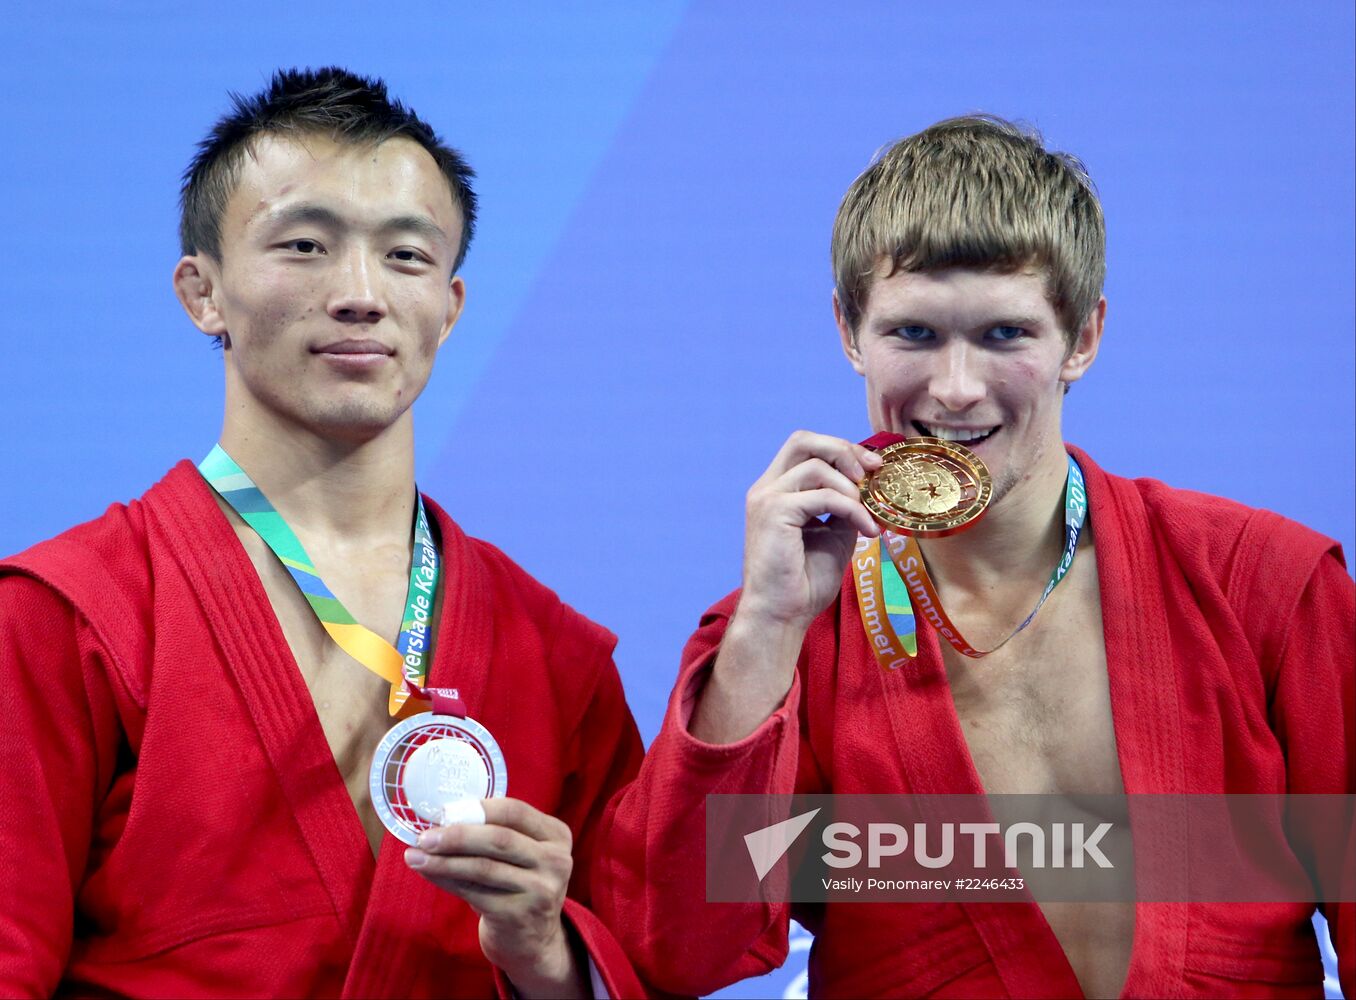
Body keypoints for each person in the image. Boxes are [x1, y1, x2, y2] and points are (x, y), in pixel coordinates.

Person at [593, 116, 1353, 997]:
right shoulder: (797, 635)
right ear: (848, 331)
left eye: (1004, 335)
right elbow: (674, 948)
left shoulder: (1263, 586)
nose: (955, 388)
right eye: (913, 334)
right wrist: (767, 628)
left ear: (1084, 337)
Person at [0, 67, 643, 998]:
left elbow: (663, 953)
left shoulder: (556, 657)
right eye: (305, 245)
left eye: (406, 257)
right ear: (202, 293)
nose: (359, 294)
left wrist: (550, 961)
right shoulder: (62, 618)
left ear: (450, 309)